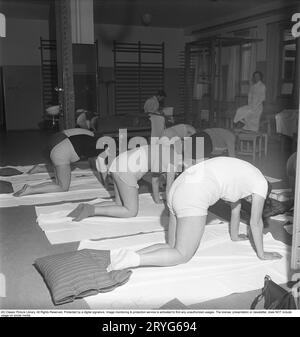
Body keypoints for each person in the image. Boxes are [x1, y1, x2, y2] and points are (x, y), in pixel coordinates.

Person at [107, 156, 282, 271]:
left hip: (178, 186)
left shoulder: (244, 175)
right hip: (192, 193)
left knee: (172, 246)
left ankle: (125, 256)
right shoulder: (260, 183)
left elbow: (234, 210)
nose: (252, 201)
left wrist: (235, 236)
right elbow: (255, 222)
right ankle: (130, 260)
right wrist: (262, 254)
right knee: (182, 255)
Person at [67, 142, 183, 221]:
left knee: (119, 204)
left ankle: (84, 207)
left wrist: (157, 200)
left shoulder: (163, 150)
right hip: (126, 170)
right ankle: (91, 210)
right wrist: (171, 211)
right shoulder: (173, 160)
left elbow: (155, 179)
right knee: (130, 211)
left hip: (118, 163)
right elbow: (169, 188)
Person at [13, 128, 102, 196]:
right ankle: (31, 189)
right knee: (63, 187)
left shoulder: (89, 134)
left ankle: (41, 168)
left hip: (56, 142)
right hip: (61, 147)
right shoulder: (97, 144)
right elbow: (98, 164)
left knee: (69, 165)